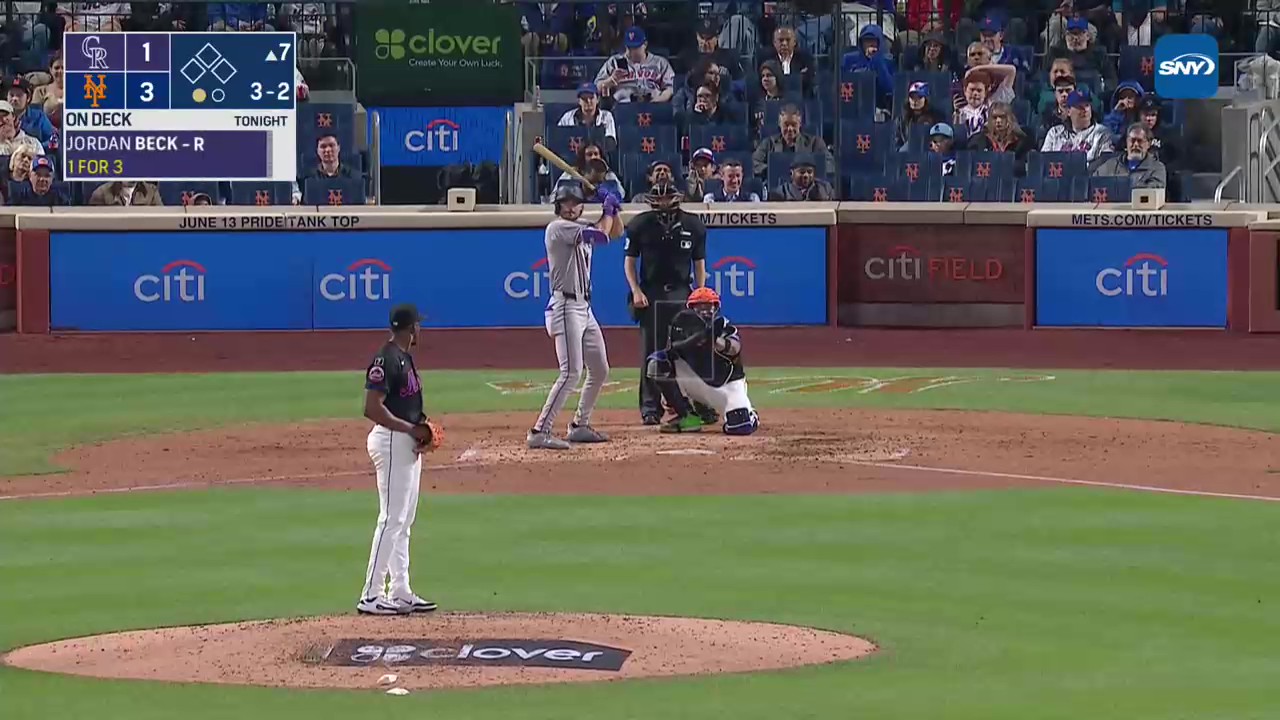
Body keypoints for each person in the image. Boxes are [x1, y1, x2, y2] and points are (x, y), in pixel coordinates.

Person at [358, 303, 442, 616]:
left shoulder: (404, 358)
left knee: (404, 520)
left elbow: (404, 402)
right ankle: (371, 594)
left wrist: (421, 428)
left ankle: (401, 591)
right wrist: (409, 428)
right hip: (391, 441)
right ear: (410, 329)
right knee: (391, 519)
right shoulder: (387, 358)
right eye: (418, 325)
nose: (421, 330)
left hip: (405, 442)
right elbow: (372, 407)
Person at [526, 184, 624, 450]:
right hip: (566, 306)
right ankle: (539, 430)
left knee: (600, 369)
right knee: (571, 372)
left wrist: (613, 208)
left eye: (575, 202)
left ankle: (580, 424)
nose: (570, 207)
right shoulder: (557, 227)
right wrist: (607, 209)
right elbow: (602, 235)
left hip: (584, 308)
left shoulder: (582, 224)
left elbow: (616, 232)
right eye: (565, 203)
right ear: (557, 206)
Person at [624, 181, 713, 425]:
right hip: (651, 293)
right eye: (659, 198)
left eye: (667, 198)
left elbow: (699, 264)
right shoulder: (640, 224)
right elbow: (630, 262)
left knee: (689, 352)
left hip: (681, 292)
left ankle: (699, 405)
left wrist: (700, 293)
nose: (663, 202)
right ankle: (650, 408)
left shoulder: (694, 224)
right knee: (650, 352)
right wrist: (636, 291)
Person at [644, 287, 759, 435]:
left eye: (708, 307)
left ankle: (751, 415)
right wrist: (670, 395)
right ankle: (687, 416)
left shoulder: (723, 326)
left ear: (715, 308)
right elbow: (671, 352)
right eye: (699, 307)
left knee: (740, 427)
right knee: (657, 364)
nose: (704, 311)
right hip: (696, 381)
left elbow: (734, 348)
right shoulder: (681, 327)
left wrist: (716, 341)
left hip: (726, 387)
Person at [593, 26, 675, 104]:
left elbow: (670, 89)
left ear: (645, 45)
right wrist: (610, 80)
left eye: (635, 48)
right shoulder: (614, 62)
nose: (630, 52)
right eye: (628, 47)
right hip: (623, 107)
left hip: (653, 105)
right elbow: (596, 88)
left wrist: (657, 101)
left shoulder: (660, 62)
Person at [1041, 89, 1113, 163]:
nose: (1085, 110)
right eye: (1079, 107)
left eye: (1087, 105)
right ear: (1068, 111)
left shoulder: (1102, 133)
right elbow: (1043, 161)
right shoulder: (1054, 133)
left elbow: (1106, 165)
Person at [1091, 122, 1167, 189]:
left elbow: (1155, 190)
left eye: (1140, 141)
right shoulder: (1111, 165)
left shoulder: (1157, 168)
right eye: (1132, 141)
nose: (1136, 145)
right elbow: (1094, 183)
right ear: (1126, 142)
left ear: (1149, 144)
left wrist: (1124, 188)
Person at [557, 84, 618, 154]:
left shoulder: (606, 116)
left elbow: (611, 143)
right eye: (584, 98)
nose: (588, 101)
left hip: (597, 158)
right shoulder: (567, 117)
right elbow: (559, 141)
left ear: (597, 99)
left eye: (591, 98)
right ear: (579, 101)